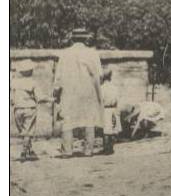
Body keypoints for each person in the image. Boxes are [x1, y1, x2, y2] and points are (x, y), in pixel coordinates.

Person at [53, 28, 105, 157]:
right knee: (89, 119)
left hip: (70, 91)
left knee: (68, 120)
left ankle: (67, 150)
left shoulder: (64, 54)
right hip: (88, 91)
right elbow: (100, 75)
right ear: (86, 38)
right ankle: (88, 150)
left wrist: (56, 91)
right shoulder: (92, 53)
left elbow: (58, 77)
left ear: (72, 38)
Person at [11, 59, 50, 161]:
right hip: (30, 108)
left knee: (23, 131)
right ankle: (24, 151)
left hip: (17, 109)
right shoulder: (33, 82)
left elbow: (11, 98)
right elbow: (40, 97)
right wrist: (50, 99)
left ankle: (30, 149)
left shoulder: (14, 82)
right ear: (30, 71)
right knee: (28, 131)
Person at [100, 68, 120, 155]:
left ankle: (106, 149)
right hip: (114, 108)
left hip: (106, 109)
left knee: (106, 130)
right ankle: (111, 148)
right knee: (112, 128)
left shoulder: (102, 88)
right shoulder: (114, 87)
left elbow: (101, 100)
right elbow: (117, 99)